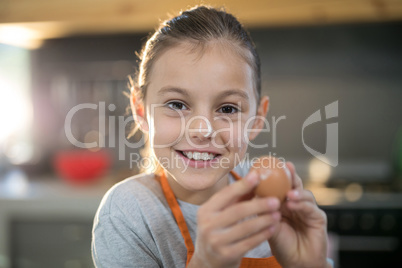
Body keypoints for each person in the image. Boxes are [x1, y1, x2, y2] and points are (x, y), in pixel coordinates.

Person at [92, 5, 332, 268]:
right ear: (141, 109)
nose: (202, 130)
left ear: (257, 119)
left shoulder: (276, 208)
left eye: (227, 109)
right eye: (177, 104)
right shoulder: (129, 212)